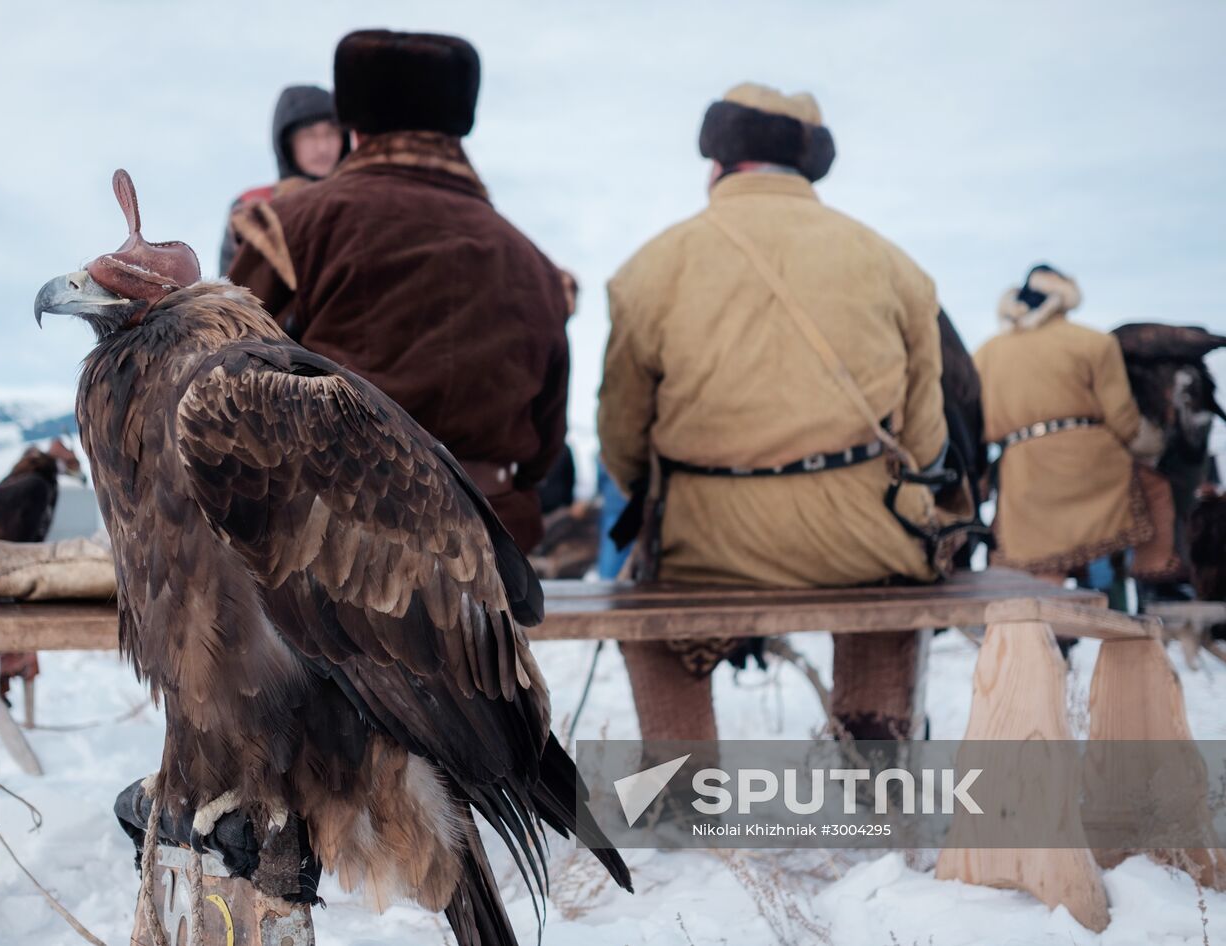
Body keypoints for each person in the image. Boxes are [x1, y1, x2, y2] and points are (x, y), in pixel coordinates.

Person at [597, 83, 951, 742]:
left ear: (718, 166)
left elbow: (621, 435)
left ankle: (684, 784)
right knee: (893, 592)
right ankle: (874, 755)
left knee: (649, 626)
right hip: (862, 538)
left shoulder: (648, 267)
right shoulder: (895, 264)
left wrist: (647, 492)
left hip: (705, 542)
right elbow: (927, 438)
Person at [228, 30, 570, 551]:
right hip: (491, 556)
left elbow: (219, 380)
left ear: (355, 129)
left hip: (341, 551)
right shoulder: (534, 264)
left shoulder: (291, 227)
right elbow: (546, 445)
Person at [975, 265, 1161, 589]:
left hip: (1023, 472)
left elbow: (978, 424)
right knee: (1152, 496)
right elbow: (1123, 420)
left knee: (1040, 562)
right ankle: (1150, 584)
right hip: (1095, 466)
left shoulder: (986, 353)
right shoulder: (1093, 342)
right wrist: (1156, 444)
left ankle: (1051, 622)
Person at [216, 85, 348, 277]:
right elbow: (231, 291)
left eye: (330, 133)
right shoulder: (252, 208)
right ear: (286, 142)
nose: (322, 147)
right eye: (309, 135)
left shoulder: (361, 199)